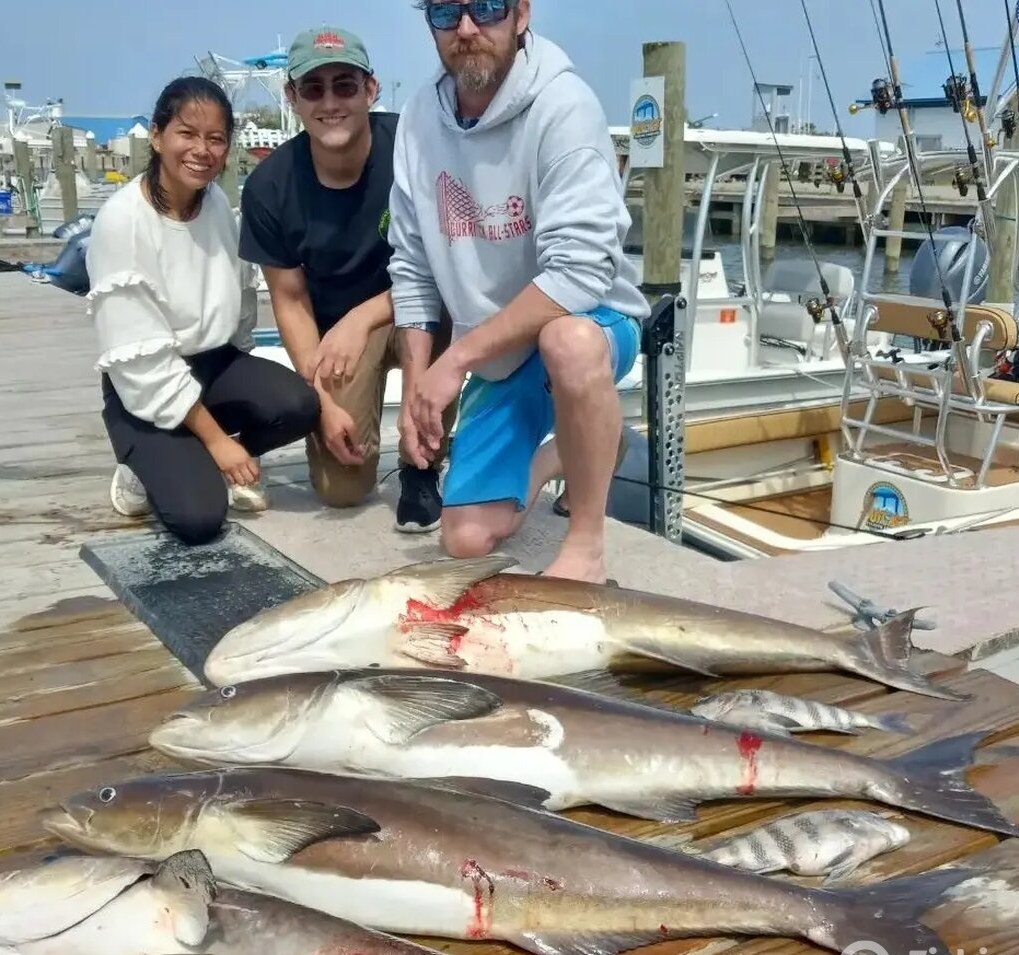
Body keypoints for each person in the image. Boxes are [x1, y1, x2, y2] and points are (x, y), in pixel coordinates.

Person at [388, 0, 650, 583]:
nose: (466, 28)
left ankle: (586, 546)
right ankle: (573, 450)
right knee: (466, 539)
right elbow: (411, 266)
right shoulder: (418, 119)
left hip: (592, 317)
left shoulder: (565, 105)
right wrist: (415, 393)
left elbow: (580, 271)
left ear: (521, 13)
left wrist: (457, 358)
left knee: (568, 341)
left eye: (486, 7)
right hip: (500, 349)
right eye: (444, 11)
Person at [238, 26, 458, 533]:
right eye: (313, 88)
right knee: (341, 489)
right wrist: (319, 400)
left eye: (345, 85)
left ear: (370, 90)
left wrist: (364, 316)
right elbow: (289, 301)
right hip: (337, 340)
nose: (330, 102)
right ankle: (365, 443)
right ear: (292, 97)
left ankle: (423, 465)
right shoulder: (269, 187)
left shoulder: (415, 147)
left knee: (443, 314)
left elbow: (449, 266)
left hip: (417, 309)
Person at [86, 75, 320, 545]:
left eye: (216, 139)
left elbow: (239, 291)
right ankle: (141, 469)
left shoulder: (215, 202)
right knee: (198, 519)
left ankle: (215, 460)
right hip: (143, 384)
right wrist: (216, 441)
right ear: (157, 136)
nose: (202, 150)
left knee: (299, 406)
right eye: (187, 134)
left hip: (212, 363)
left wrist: (245, 366)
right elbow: (145, 363)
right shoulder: (121, 223)